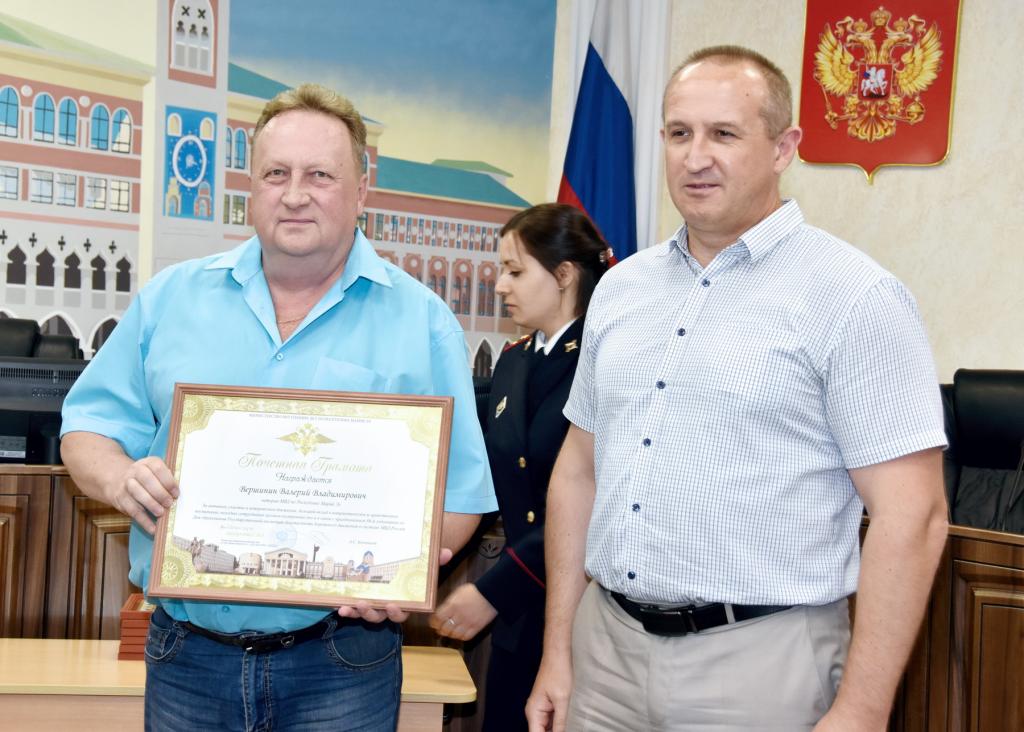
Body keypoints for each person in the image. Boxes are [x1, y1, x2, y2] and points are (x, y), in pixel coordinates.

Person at [525, 46, 949, 731]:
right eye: (679, 133)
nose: (696, 157)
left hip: (762, 665)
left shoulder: (855, 296)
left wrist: (863, 711)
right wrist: (559, 651)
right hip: (605, 656)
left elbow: (914, 516)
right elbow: (578, 472)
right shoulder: (622, 288)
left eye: (723, 134)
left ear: (784, 148)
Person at [60, 83, 496, 732]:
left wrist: (400, 577)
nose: (295, 195)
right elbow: (86, 431)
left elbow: (460, 496)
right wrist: (123, 477)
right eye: (276, 174)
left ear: (361, 190)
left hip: (342, 662)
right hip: (187, 656)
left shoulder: (422, 322)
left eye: (320, 175)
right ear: (251, 186)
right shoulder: (171, 299)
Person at [429, 203, 609, 731]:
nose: (500, 285)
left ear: (564, 274)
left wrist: (496, 590)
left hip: (575, 611)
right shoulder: (516, 358)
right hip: (518, 615)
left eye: (514, 270)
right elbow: (486, 466)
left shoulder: (605, 359)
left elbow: (589, 498)